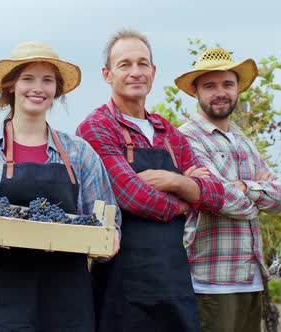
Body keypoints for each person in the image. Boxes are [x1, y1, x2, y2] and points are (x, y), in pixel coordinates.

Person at [0, 41, 121, 332]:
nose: (38, 88)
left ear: (56, 90)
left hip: (67, 302)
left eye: (47, 80)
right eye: (28, 78)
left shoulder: (80, 153)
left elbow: (108, 220)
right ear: (11, 85)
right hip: (3, 303)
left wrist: (110, 241)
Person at [76, 30, 225, 331]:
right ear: (107, 74)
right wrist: (187, 199)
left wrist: (174, 181)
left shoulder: (167, 131)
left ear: (153, 72)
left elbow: (216, 194)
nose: (136, 72)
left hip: (174, 282)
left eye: (143, 64)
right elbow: (132, 195)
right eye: (125, 64)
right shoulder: (96, 127)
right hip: (121, 285)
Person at [176, 47, 281, 332]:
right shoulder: (187, 139)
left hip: (251, 276)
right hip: (211, 280)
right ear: (195, 92)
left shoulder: (242, 140)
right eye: (210, 86)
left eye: (228, 84)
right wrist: (257, 191)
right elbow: (220, 200)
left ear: (238, 88)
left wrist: (243, 187)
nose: (220, 92)